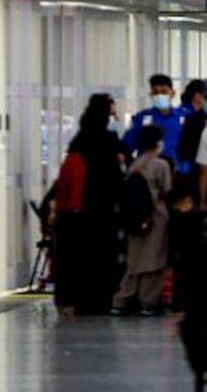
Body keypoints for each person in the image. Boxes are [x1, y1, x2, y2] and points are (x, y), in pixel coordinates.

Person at [51, 93, 126, 315]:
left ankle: (75, 299)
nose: (115, 118)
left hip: (78, 210)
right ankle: (98, 300)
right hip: (103, 210)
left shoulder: (79, 141)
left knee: (76, 258)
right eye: (113, 114)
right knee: (102, 257)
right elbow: (116, 177)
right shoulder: (110, 141)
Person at [112, 125, 172, 316]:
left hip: (135, 219)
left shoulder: (135, 164)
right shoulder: (161, 165)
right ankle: (148, 301)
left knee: (135, 261)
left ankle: (121, 299)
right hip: (156, 219)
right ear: (159, 142)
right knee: (155, 261)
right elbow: (168, 191)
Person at [122, 74, 185, 162]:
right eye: (156, 93)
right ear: (151, 94)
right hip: (148, 167)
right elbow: (127, 146)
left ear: (172, 93)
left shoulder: (183, 117)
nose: (160, 96)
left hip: (177, 168)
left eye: (164, 92)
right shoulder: (142, 118)